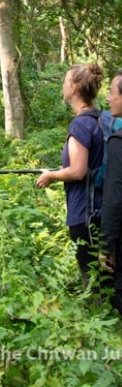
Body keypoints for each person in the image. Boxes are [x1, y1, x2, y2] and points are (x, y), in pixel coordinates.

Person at [36, 63, 104, 290]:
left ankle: (98, 317)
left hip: (86, 212)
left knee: (92, 277)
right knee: (107, 273)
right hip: (104, 209)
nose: (63, 86)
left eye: (66, 81)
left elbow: (78, 171)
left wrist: (51, 176)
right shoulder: (100, 119)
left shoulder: (80, 125)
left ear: (74, 87)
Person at [101, 73, 122, 314]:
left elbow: (114, 196)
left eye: (112, 92)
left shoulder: (118, 140)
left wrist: (106, 246)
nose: (108, 98)